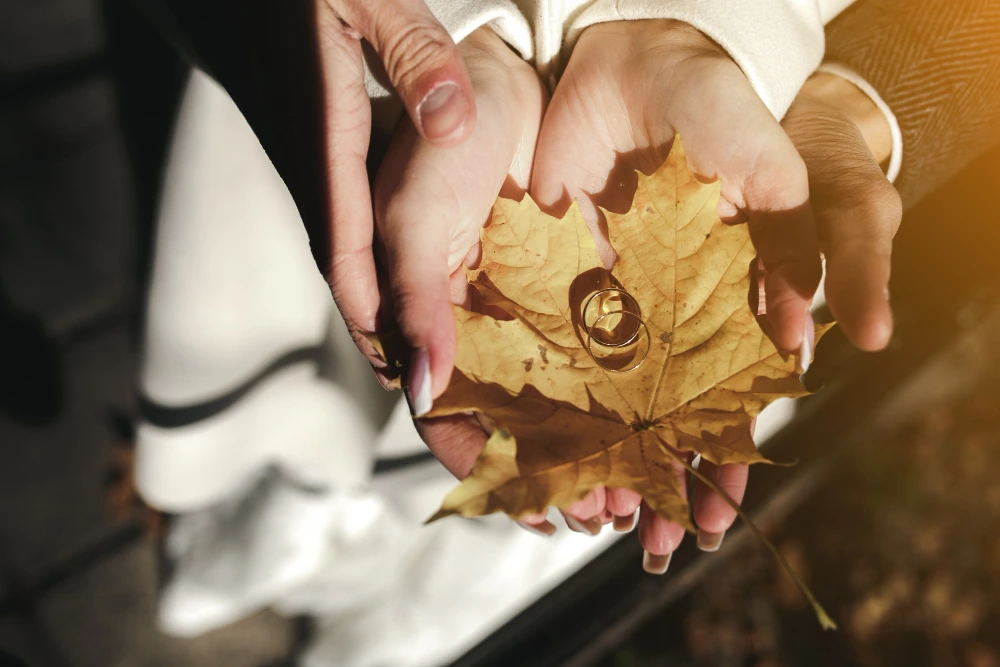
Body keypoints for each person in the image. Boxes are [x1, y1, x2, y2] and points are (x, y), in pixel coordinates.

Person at [133, 0, 1000, 572]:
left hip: (740, 118)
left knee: (480, 407)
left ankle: (352, 535)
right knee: (372, 293)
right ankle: (279, 484)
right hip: (406, 79)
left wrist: (853, 101)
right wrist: (449, 38)